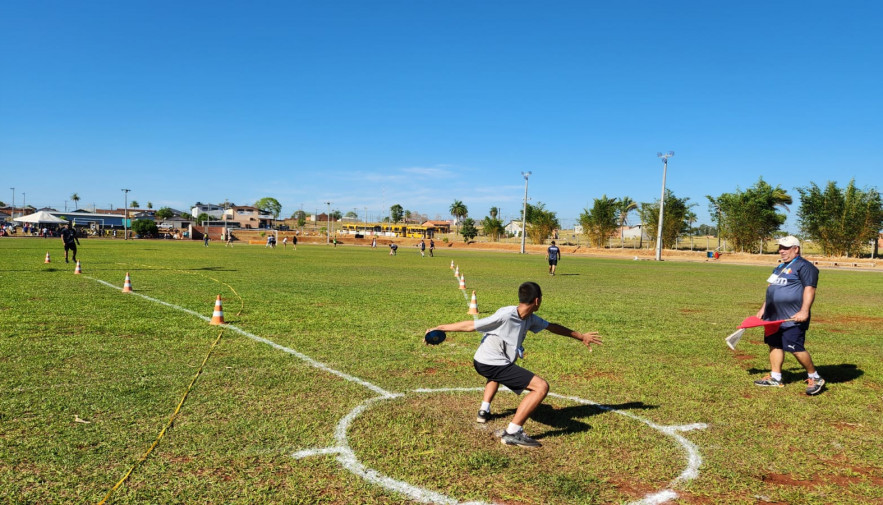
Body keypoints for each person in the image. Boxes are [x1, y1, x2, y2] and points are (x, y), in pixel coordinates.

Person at [425, 282, 603, 448]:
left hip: (487, 361)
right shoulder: (506, 315)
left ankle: (484, 411)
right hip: (489, 362)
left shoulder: (529, 318)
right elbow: (471, 325)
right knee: (541, 387)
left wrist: (581, 336)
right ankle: (513, 432)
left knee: (497, 375)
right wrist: (440, 328)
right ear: (537, 300)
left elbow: (552, 327)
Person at [754, 236, 825, 395]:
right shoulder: (779, 267)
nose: (781, 251)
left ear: (796, 249)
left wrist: (804, 310)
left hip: (792, 317)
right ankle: (776, 377)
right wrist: (763, 309)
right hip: (773, 317)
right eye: (780, 247)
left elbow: (809, 289)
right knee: (775, 344)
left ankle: (815, 376)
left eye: (785, 248)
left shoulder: (805, 267)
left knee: (795, 347)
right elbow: (771, 289)